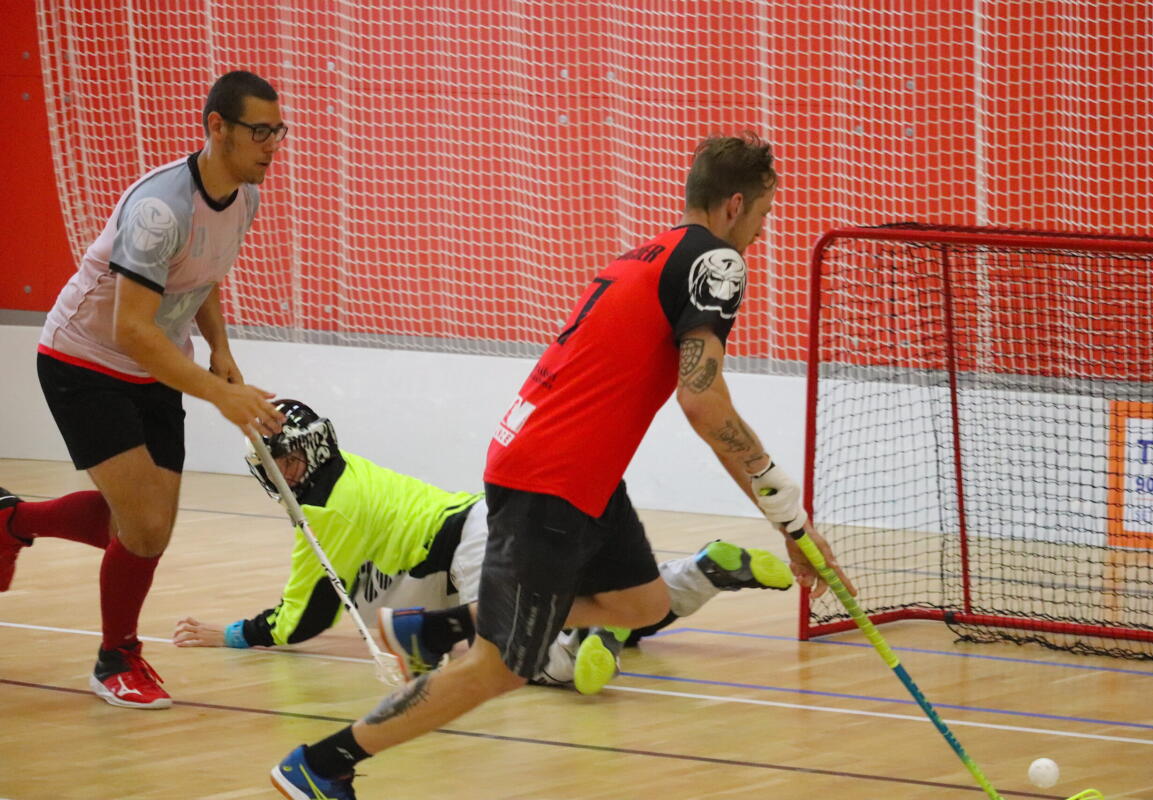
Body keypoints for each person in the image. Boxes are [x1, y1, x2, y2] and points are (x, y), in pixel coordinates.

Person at [269, 132, 856, 799]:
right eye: (763, 216)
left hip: (574, 469)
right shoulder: (716, 261)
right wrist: (790, 520)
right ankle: (322, 762)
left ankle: (439, 627)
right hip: (554, 475)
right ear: (734, 205)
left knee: (642, 604)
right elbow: (702, 401)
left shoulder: (648, 253)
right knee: (499, 668)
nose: (761, 233)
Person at [172, 399, 795, 696]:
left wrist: (232, 634)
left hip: (468, 552)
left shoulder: (323, 511)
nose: (277, 472)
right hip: (487, 525)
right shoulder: (348, 471)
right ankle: (701, 573)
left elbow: (305, 615)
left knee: (523, 661)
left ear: (306, 456)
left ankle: (580, 644)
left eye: (281, 460)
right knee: (630, 602)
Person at [0, 71, 287, 710]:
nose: (272, 145)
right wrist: (219, 395)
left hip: (156, 365)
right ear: (217, 127)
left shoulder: (243, 198)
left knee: (144, 526)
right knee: (146, 527)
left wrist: (220, 349)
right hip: (85, 361)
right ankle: (116, 657)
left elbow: (203, 276)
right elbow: (131, 328)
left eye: (278, 131)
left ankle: (11, 522)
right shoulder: (161, 209)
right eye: (259, 131)